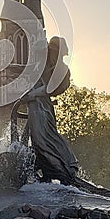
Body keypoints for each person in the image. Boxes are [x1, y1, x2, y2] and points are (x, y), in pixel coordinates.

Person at [18, 36, 79, 184]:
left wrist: (32, 94)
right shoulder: (42, 65)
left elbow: (51, 88)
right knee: (38, 139)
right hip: (35, 105)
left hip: (42, 106)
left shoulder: (62, 69)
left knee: (45, 137)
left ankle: (67, 163)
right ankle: (46, 172)